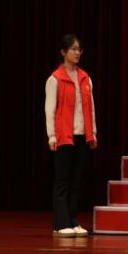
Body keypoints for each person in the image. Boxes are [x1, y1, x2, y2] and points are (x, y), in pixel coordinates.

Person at [45, 34, 97, 238]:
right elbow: (49, 110)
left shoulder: (85, 78)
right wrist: (51, 136)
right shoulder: (55, 79)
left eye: (79, 49)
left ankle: (73, 221)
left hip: (82, 136)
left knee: (77, 181)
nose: (77, 53)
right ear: (63, 52)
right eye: (73, 49)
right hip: (64, 136)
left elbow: (91, 108)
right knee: (63, 181)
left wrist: (93, 133)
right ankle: (61, 223)